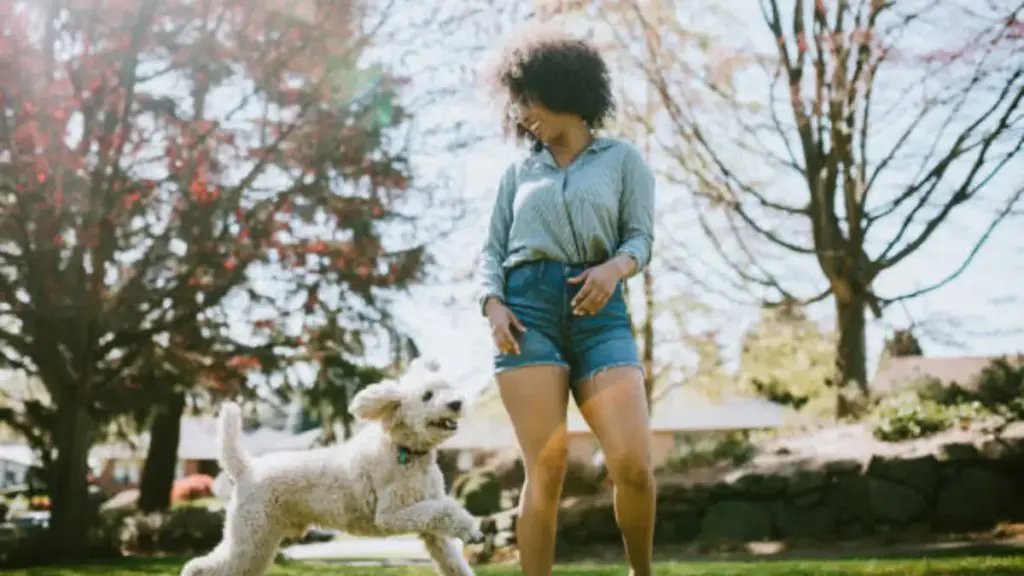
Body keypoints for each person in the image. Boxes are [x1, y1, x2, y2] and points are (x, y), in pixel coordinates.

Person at [477, 28, 656, 576]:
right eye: (517, 101)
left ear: (565, 90)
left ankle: (641, 572)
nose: (523, 112)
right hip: (526, 315)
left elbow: (640, 239)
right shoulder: (517, 173)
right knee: (547, 467)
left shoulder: (623, 160)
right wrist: (493, 304)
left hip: (601, 314)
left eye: (530, 97)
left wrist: (614, 269)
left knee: (632, 463)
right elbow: (491, 251)